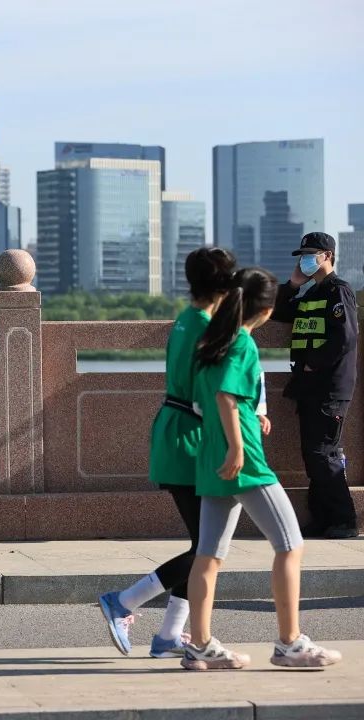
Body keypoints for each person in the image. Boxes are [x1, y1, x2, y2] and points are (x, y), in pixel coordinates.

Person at [182, 267, 342, 671]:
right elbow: (226, 397)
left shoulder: (210, 342)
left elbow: (204, 401)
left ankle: (199, 645)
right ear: (267, 310)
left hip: (210, 457)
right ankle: (290, 643)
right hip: (245, 461)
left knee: (208, 555)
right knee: (290, 545)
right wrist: (238, 448)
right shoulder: (242, 343)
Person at [98, 248, 237, 658]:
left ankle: (169, 635)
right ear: (223, 285)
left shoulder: (186, 319)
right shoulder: (208, 327)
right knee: (207, 549)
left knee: (203, 545)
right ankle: (124, 601)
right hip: (190, 439)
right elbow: (210, 394)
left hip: (176, 433)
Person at [271, 232, 359, 539]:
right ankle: (323, 518)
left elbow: (345, 338)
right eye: (302, 256)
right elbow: (278, 311)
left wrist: (313, 362)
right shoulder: (311, 293)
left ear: (328, 256)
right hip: (309, 387)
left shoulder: (339, 291)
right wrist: (293, 284)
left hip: (329, 388)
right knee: (313, 455)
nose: (305, 260)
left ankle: (345, 520)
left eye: (311, 254)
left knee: (325, 454)